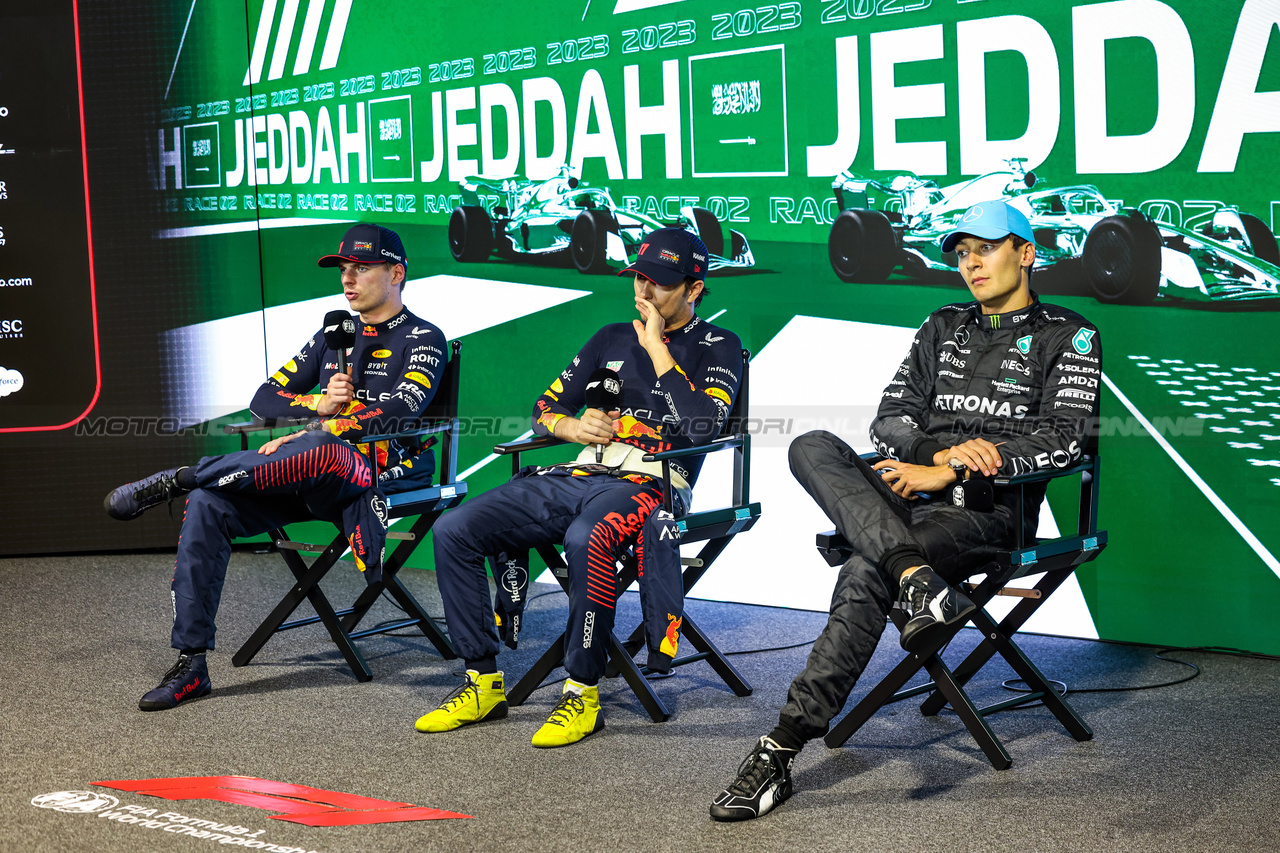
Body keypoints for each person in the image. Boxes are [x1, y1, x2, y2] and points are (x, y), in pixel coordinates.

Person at [709, 199, 1102, 820]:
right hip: (905, 499)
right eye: (963, 253)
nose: (972, 264)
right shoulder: (940, 324)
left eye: (987, 249)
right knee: (812, 446)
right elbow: (888, 420)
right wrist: (927, 456)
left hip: (987, 514)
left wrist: (949, 468)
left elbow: (1065, 439)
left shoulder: (1068, 333)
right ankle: (916, 579)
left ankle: (780, 747)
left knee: (865, 569)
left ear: (1026, 253)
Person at [416, 227, 743, 748]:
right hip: (581, 473)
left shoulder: (720, 346)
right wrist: (569, 427)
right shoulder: (609, 336)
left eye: (657, 282)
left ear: (694, 288)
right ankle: (482, 681)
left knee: (586, 537)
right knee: (456, 528)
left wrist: (657, 347)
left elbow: (702, 428)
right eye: (638, 277)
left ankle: (581, 695)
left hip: (654, 484)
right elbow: (544, 409)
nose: (643, 292)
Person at [103, 223, 448, 711]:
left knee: (322, 449)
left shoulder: (424, 337)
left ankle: (180, 477)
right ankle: (191, 663)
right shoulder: (331, 338)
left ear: (397, 273)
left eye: (362, 269)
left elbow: (399, 411)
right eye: (344, 270)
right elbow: (263, 401)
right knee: (208, 504)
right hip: (300, 476)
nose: (348, 279)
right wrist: (315, 406)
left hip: (379, 474)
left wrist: (322, 432)